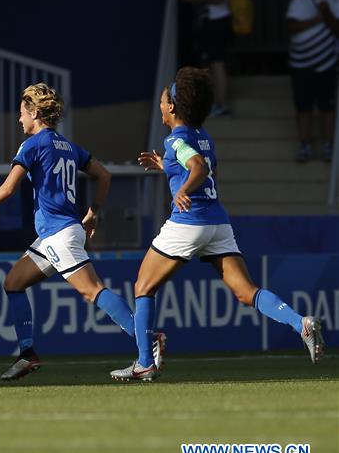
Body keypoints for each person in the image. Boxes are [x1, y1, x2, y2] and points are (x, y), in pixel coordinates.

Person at [110, 67, 325, 382]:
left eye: (161, 101)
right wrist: (168, 168)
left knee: (144, 286)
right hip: (217, 222)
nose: (160, 106)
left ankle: (144, 362)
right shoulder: (203, 137)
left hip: (188, 222)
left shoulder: (175, 141)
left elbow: (196, 167)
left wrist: (182, 189)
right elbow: (203, 167)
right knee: (246, 292)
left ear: (172, 107)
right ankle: (300, 323)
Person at [0, 83, 143, 381]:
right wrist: (93, 213)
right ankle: (27, 354)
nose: (19, 120)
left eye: (21, 114)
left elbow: (7, 187)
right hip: (56, 233)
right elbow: (103, 174)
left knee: (92, 290)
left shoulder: (33, 145)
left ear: (34, 112)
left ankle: (147, 343)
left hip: (60, 235)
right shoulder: (67, 145)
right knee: (13, 282)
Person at [286, 0, 339, 163]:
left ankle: (328, 146)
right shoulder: (299, 2)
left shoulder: (335, 1)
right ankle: (305, 145)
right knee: (303, 107)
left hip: (326, 64)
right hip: (300, 65)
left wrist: (327, 14)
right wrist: (318, 18)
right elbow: (292, 27)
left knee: (326, 107)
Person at [181, 0, 234, 118]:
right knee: (212, 62)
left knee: (216, 61)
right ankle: (216, 103)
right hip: (212, 19)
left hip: (216, 19)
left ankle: (221, 104)